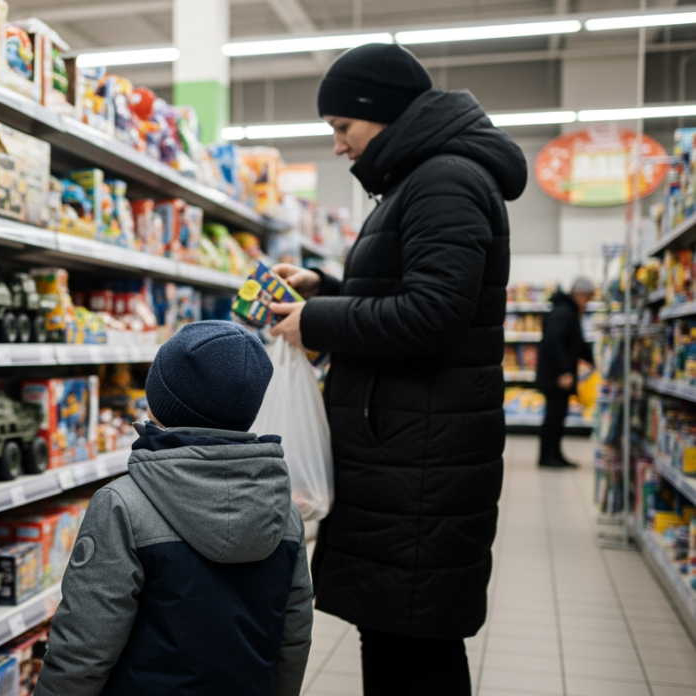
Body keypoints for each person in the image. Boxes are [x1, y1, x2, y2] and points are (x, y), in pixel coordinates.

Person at [267, 43, 526, 696]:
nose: (337, 146)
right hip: (409, 457)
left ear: (379, 114)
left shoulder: (445, 179)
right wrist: (324, 287)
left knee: (413, 648)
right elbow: (413, 295)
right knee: (399, 638)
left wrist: (317, 322)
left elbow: (432, 314)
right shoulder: (423, 179)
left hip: (421, 470)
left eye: (341, 129)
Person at [35, 321, 313, 696]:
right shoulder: (284, 512)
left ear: (161, 401)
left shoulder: (124, 505)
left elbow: (82, 651)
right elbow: (292, 638)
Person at [535, 277, 595, 468]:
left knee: (558, 416)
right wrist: (563, 372)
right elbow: (553, 342)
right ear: (581, 295)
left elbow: (576, 342)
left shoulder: (569, 312)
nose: (589, 303)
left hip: (558, 375)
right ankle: (547, 457)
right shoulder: (563, 312)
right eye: (589, 298)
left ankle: (556, 454)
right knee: (553, 417)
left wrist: (593, 361)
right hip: (555, 376)